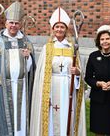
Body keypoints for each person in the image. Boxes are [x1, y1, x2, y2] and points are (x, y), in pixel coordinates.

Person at [30, 7, 86, 136]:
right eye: (57, 27)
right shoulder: (48, 48)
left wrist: (77, 73)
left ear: (66, 29)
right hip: (52, 88)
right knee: (52, 117)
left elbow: (79, 73)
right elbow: (42, 74)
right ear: (53, 29)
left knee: (68, 114)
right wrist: (45, 95)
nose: (59, 29)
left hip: (68, 88)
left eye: (62, 27)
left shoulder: (73, 48)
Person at [0, 1, 36, 136]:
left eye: (16, 23)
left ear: (20, 25)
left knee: (21, 118)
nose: (13, 26)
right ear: (6, 23)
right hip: (3, 86)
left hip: (22, 86)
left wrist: (29, 58)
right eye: (11, 22)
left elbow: (31, 69)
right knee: (4, 117)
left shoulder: (26, 41)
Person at [84, 25, 110, 136]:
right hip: (98, 99)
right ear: (98, 41)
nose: (105, 41)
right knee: (98, 130)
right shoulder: (93, 56)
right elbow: (88, 77)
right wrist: (98, 83)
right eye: (102, 39)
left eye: (107, 39)